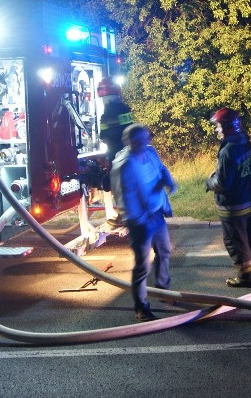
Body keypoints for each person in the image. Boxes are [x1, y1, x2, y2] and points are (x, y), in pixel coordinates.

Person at [110, 123, 177, 321]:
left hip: (156, 214)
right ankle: (141, 306)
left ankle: (164, 290)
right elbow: (124, 198)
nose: (144, 143)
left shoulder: (150, 152)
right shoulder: (124, 166)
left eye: (146, 138)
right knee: (142, 266)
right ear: (129, 142)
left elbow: (162, 169)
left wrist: (168, 180)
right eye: (138, 140)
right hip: (140, 221)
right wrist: (140, 219)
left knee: (164, 251)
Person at [205, 107, 251, 288]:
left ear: (227, 126)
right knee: (249, 238)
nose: (216, 129)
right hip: (247, 200)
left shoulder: (227, 150)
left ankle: (246, 277)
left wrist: (209, 181)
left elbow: (222, 183)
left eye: (218, 126)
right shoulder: (245, 142)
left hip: (232, 206)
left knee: (235, 242)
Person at [97, 77, 133, 225]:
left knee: (118, 186)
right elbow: (128, 129)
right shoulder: (124, 108)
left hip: (116, 154)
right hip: (128, 152)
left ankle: (124, 217)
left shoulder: (108, 114)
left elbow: (104, 136)